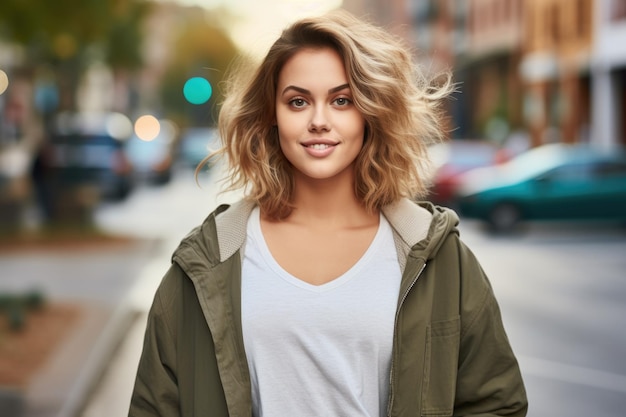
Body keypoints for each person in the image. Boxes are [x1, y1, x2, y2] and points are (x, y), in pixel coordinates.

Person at [129, 9, 528, 417]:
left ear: (370, 112)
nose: (319, 121)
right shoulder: (206, 260)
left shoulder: (439, 258)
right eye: (298, 101)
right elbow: (155, 407)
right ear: (271, 116)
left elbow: (495, 403)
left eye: (342, 100)